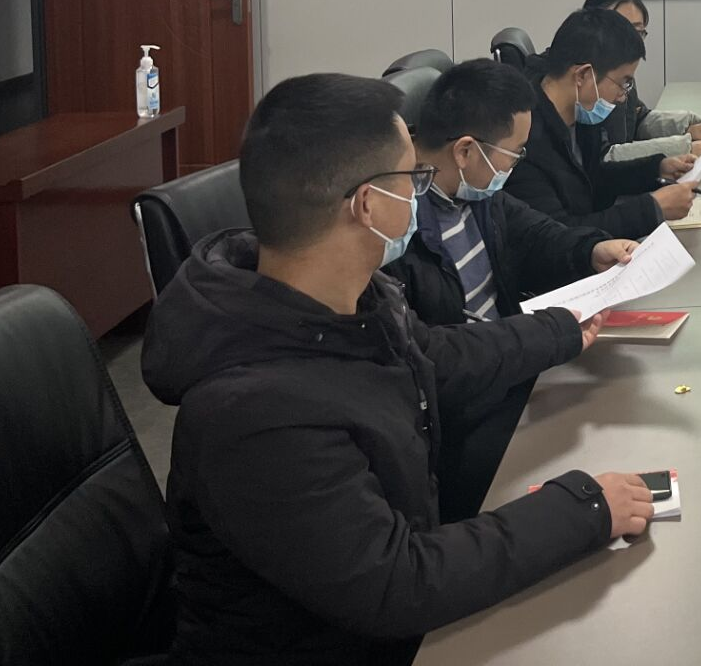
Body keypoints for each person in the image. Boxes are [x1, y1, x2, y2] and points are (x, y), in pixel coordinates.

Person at [142, 73, 658, 665]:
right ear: (366, 205)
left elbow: (434, 356)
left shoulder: (352, 301)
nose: (421, 194)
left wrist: (560, 329)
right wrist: (581, 508)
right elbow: (397, 583)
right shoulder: (255, 412)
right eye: (411, 180)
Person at [388, 59, 641, 520]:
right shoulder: (397, 232)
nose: (516, 165)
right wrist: (550, 334)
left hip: (515, 366)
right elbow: (435, 359)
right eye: (514, 153)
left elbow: (535, 234)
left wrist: (591, 250)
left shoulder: (476, 194)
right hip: (467, 417)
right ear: (466, 151)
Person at [507, 7, 697, 237]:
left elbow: (594, 179)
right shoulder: (525, 138)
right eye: (623, 83)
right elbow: (560, 235)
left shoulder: (580, 114)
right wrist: (652, 209)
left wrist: (656, 168)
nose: (623, 96)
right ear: (582, 75)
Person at [580, 0, 701, 166]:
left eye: (638, 31)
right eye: (622, 30)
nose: (631, 40)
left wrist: (686, 127)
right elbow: (603, 158)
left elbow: (637, 119)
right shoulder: (583, 79)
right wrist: (682, 147)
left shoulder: (620, 69)